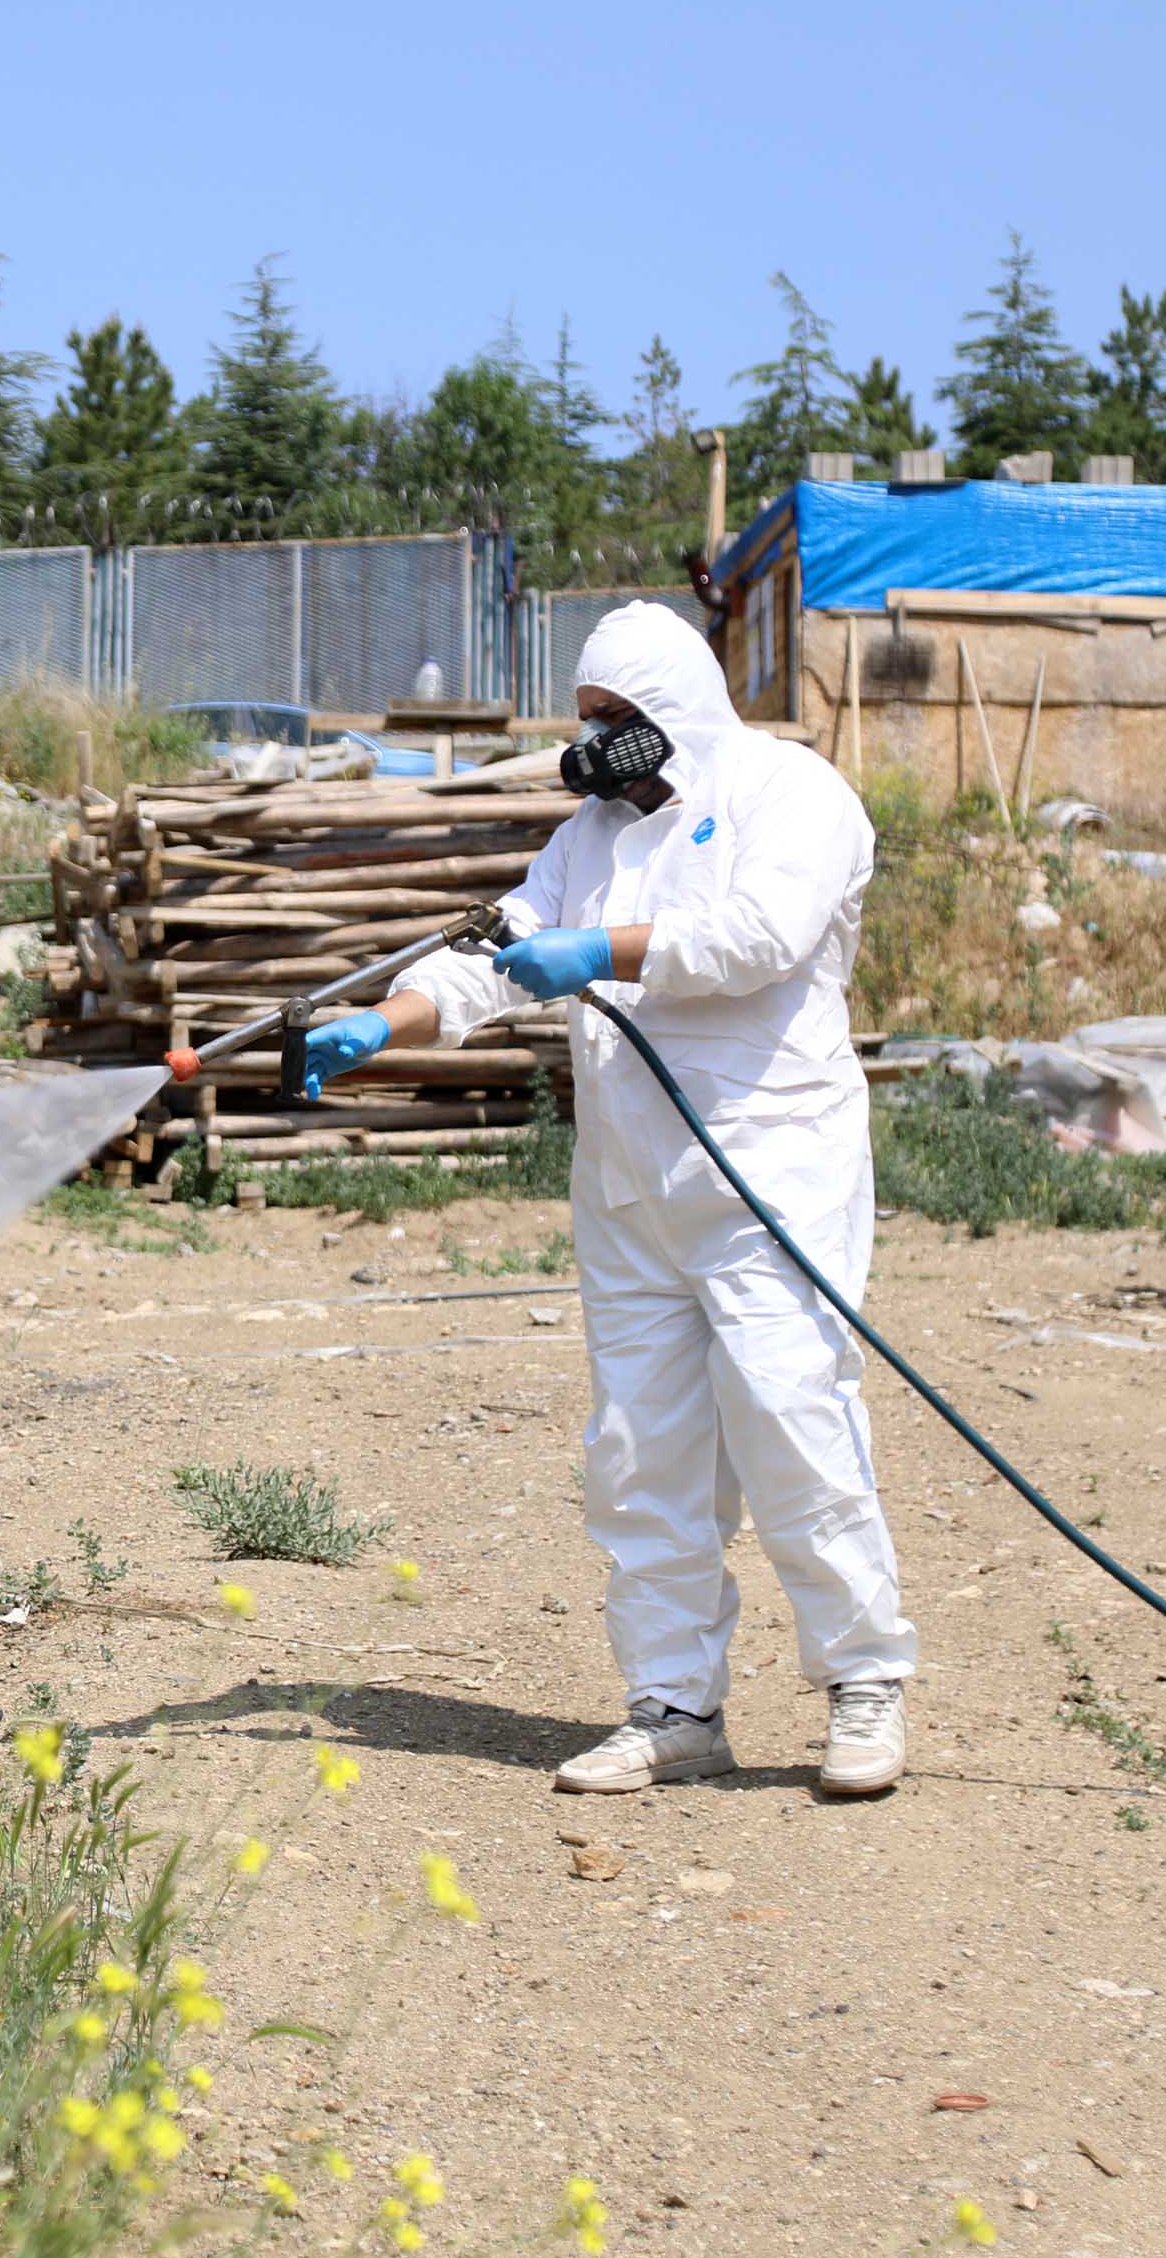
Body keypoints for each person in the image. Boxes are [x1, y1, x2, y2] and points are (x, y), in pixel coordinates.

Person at [299, 600, 914, 1797]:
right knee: (640, 1458)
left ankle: (863, 1685)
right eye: (582, 720)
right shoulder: (587, 835)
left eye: (615, 721)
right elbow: (499, 947)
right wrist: (386, 1021)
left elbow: (758, 937)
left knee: (793, 1425)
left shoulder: (794, 796)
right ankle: (674, 1706)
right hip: (631, 1191)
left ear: (674, 713)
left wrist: (598, 953)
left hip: (766, 1173)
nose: (593, 745)